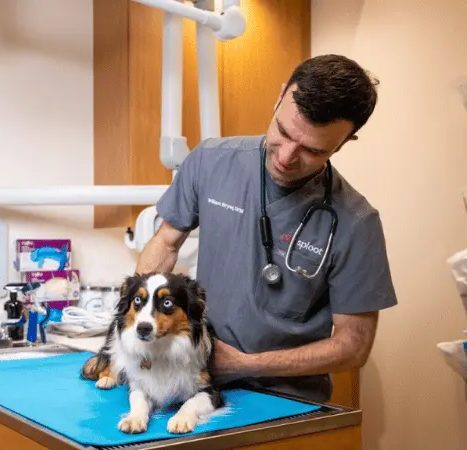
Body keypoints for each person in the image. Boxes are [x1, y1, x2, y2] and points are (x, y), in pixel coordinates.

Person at [134, 54, 398, 403]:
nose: (287, 156)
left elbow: (353, 347)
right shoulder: (211, 162)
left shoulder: (356, 222)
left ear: (345, 142)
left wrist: (245, 364)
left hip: (286, 401)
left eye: (312, 150)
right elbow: (166, 243)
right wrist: (139, 327)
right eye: (284, 131)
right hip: (190, 383)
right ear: (279, 97)